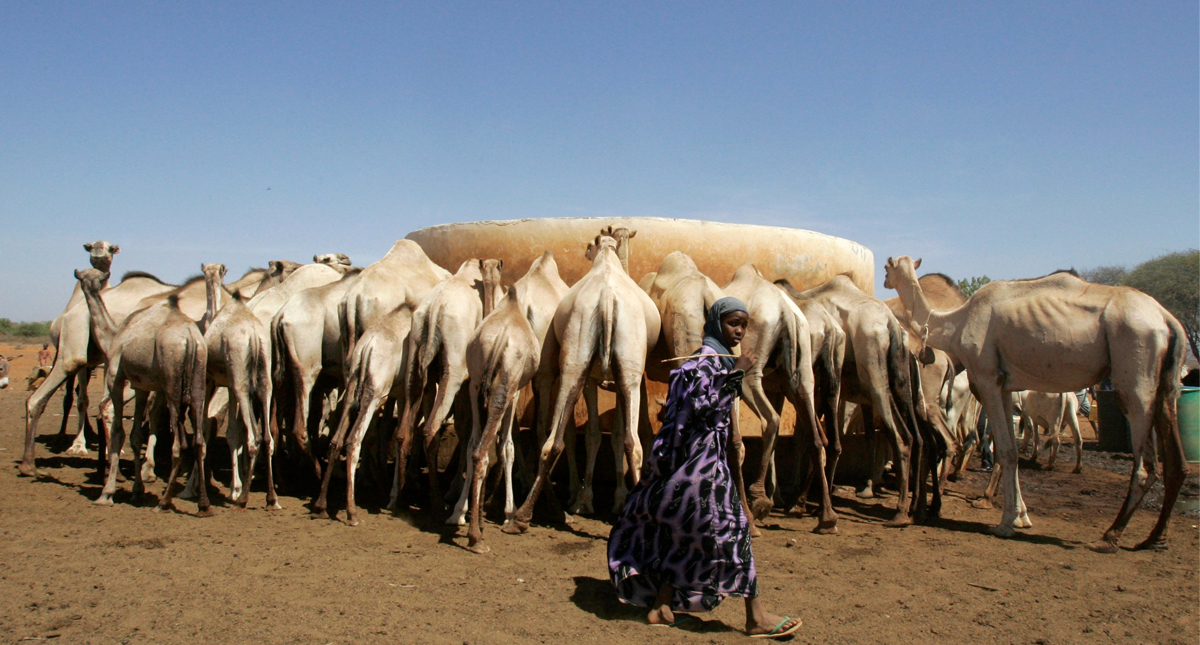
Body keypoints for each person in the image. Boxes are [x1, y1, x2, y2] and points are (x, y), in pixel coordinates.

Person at [607, 297, 802, 639]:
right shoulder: (706, 363)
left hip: (692, 468)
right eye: (732, 323)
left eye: (743, 324)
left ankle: (661, 607)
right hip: (703, 468)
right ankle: (755, 617)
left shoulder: (710, 362)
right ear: (716, 323)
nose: (739, 330)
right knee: (736, 532)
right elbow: (704, 411)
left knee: (682, 536)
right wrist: (739, 372)